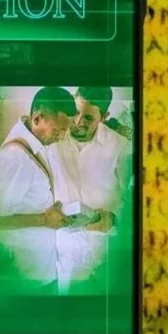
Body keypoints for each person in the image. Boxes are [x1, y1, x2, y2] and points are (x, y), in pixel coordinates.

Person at [0, 86, 96, 290]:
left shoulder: (37, 143)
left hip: (44, 269)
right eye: (58, 131)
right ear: (37, 119)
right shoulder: (14, 158)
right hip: (27, 277)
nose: (62, 137)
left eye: (65, 131)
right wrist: (44, 219)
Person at [53, 87, 132, 287]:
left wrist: (114, 217)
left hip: (102, 252)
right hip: (61, 250)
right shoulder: (53, 139)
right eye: (76, 112)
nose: (78, 122)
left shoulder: (121, 147)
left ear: (104, 117)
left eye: (88, 118)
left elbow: (129, 198)